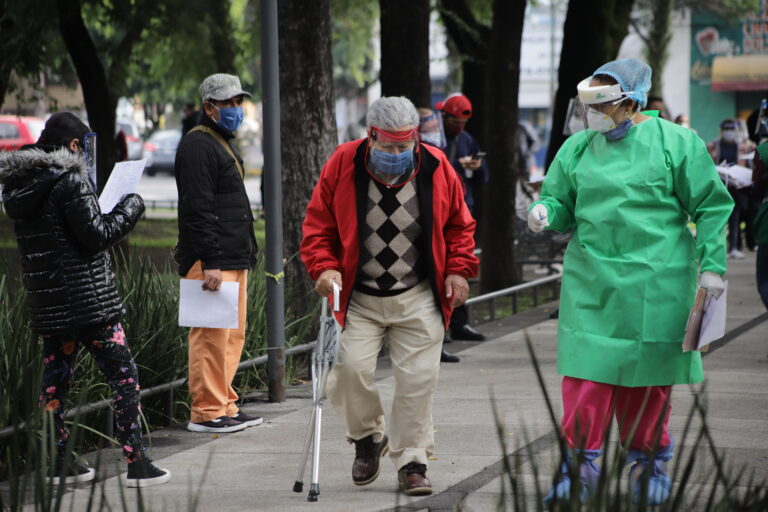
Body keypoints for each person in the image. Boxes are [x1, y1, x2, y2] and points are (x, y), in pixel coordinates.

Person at [528, 58, 733, 506]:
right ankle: (578, 467)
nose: (593, 115)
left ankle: (648, 463)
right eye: (589, 106)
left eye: (602, 105)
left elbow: (712, 206)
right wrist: (548, 212)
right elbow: (560, 199)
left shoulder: (677, 143)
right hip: (591, 284)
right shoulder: (579, 148)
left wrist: (712, 266)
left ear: (631, 100)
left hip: (656, 285)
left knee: (649, 383)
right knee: (586, 380)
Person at [301, 96, 479, 496]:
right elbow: (319, 224)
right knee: (347, 370)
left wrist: (457, 270)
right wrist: (324, 266)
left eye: (405, 145)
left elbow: (459, 224)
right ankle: (367, 438)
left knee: (418, 380)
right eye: (389, 146)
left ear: (416, 138)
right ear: (371, 136)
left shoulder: (435, 167)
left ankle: (412, 461)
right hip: (360, 295)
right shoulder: (343, 163)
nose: (397, 154)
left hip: (416, 292)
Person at [0, 112, 171, 487]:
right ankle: (137, 461)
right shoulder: (70, 181)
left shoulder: (21, 187)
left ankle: (59, 461)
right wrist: (131, 207)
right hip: (90, 305)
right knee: (124, 376)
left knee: (54, 384)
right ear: (74, 145)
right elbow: (97, 236)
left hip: (51, 308)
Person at [175, 73, 262, 433]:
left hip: (231, 256)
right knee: (211, 338)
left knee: (229, 337)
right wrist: (209, 261)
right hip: (213, 260)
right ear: (209, 106)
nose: (236, 109)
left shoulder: (218, 141)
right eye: (228, 103)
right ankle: (207, 412)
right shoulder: (198, 145)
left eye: (239, 102)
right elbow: (198, 207)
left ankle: (224, 403)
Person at [436, 93, 488, 343]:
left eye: (462, 123)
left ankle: (459, 323)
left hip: (462, 210)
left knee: (460, 263)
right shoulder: (434, 138)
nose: (459, 127)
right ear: (443, 116)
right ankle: (440, 326)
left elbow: (483, 177)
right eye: (454, 122)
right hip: (440, 212)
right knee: (439, 266)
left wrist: (476, 168)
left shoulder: (467, 140)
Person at [417, 108, 461, 363]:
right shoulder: (416, 157)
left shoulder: (440, 156)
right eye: (429, 128)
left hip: (445, 231)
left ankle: (439, 341)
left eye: (436, 128)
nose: (434, 132)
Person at [707, 118, 756, 259]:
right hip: (719, 185)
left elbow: (749, 165)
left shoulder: (742, 147)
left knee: (735, 218)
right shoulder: (713, 146)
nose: (729, 133)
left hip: (736, 186)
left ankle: (733, 247)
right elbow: (707, 163)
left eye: (731, 129)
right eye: (726, 130)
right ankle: (717, 248)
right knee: (719, 218)